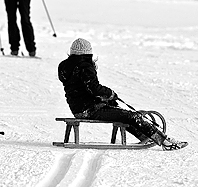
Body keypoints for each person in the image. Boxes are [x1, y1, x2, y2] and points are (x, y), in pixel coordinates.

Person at [57, 38, 188, 151]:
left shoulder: (64, 66)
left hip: (79, 109)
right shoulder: (84, 66)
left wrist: (108, 99)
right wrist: (110, 93)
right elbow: (94, 89)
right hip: (90, 110)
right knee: (131, 116)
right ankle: (164, 141)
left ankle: (145, 137)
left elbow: (82, 90)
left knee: (123, 114)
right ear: (88, 53)